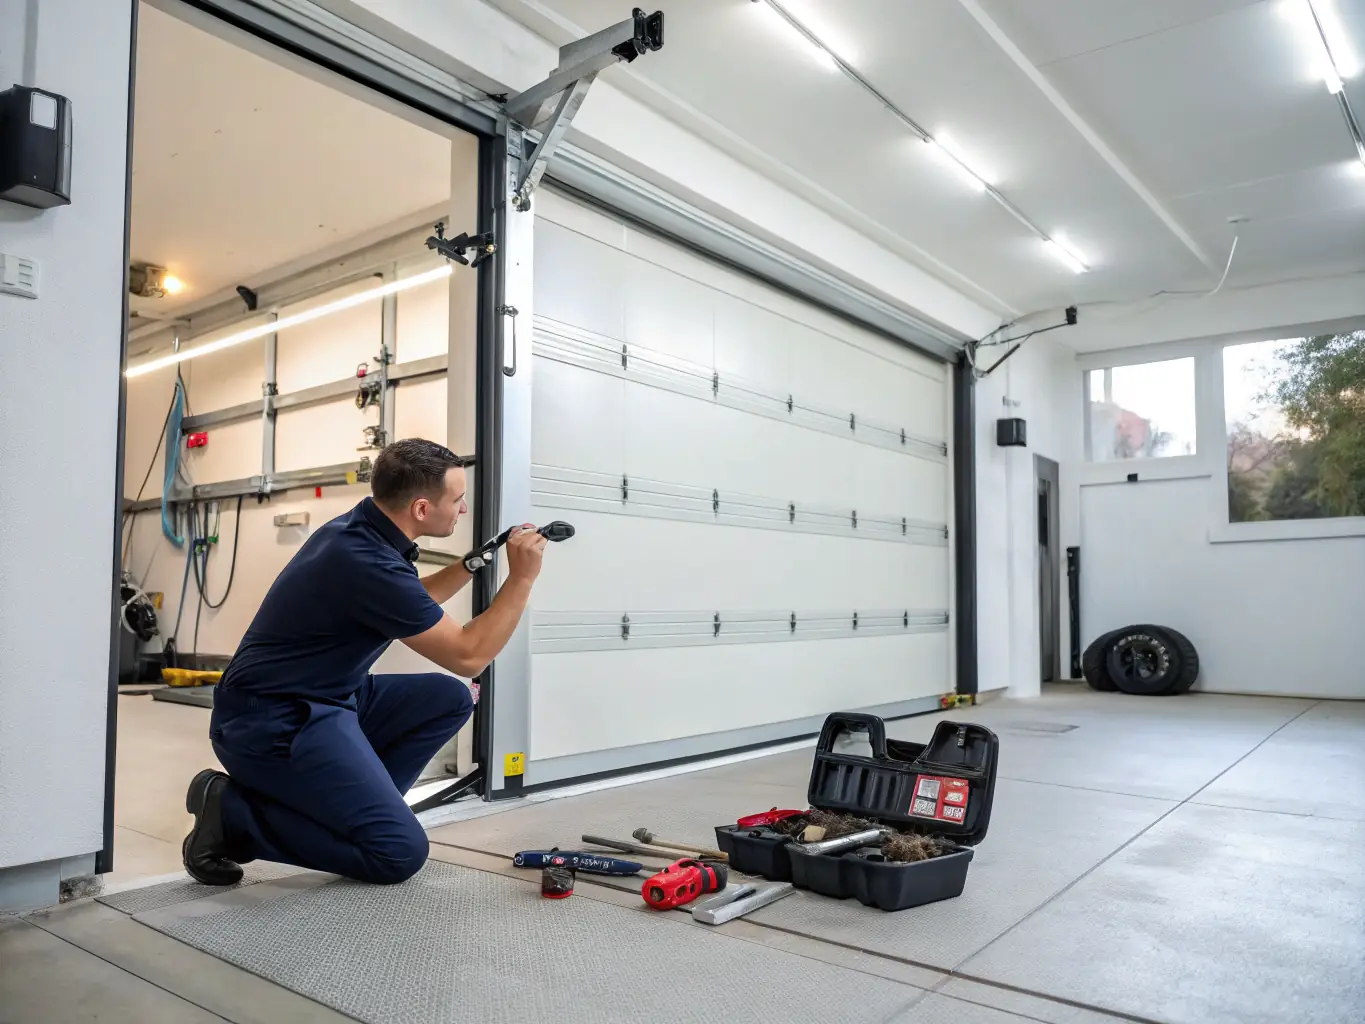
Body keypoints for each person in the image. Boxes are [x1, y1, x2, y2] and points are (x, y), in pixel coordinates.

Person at [181, 438, 549, 886]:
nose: (464, 509)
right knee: (396, 853)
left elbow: (411, 601)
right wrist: (523, 578)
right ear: (419, 509)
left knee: (447, 699)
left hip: (328, 696)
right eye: (457, 500)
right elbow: (469, 656)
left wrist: (474, 562)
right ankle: (232, 814)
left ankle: (360, 811)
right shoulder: (365, 560)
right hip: (273, 723)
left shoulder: (361, 531)